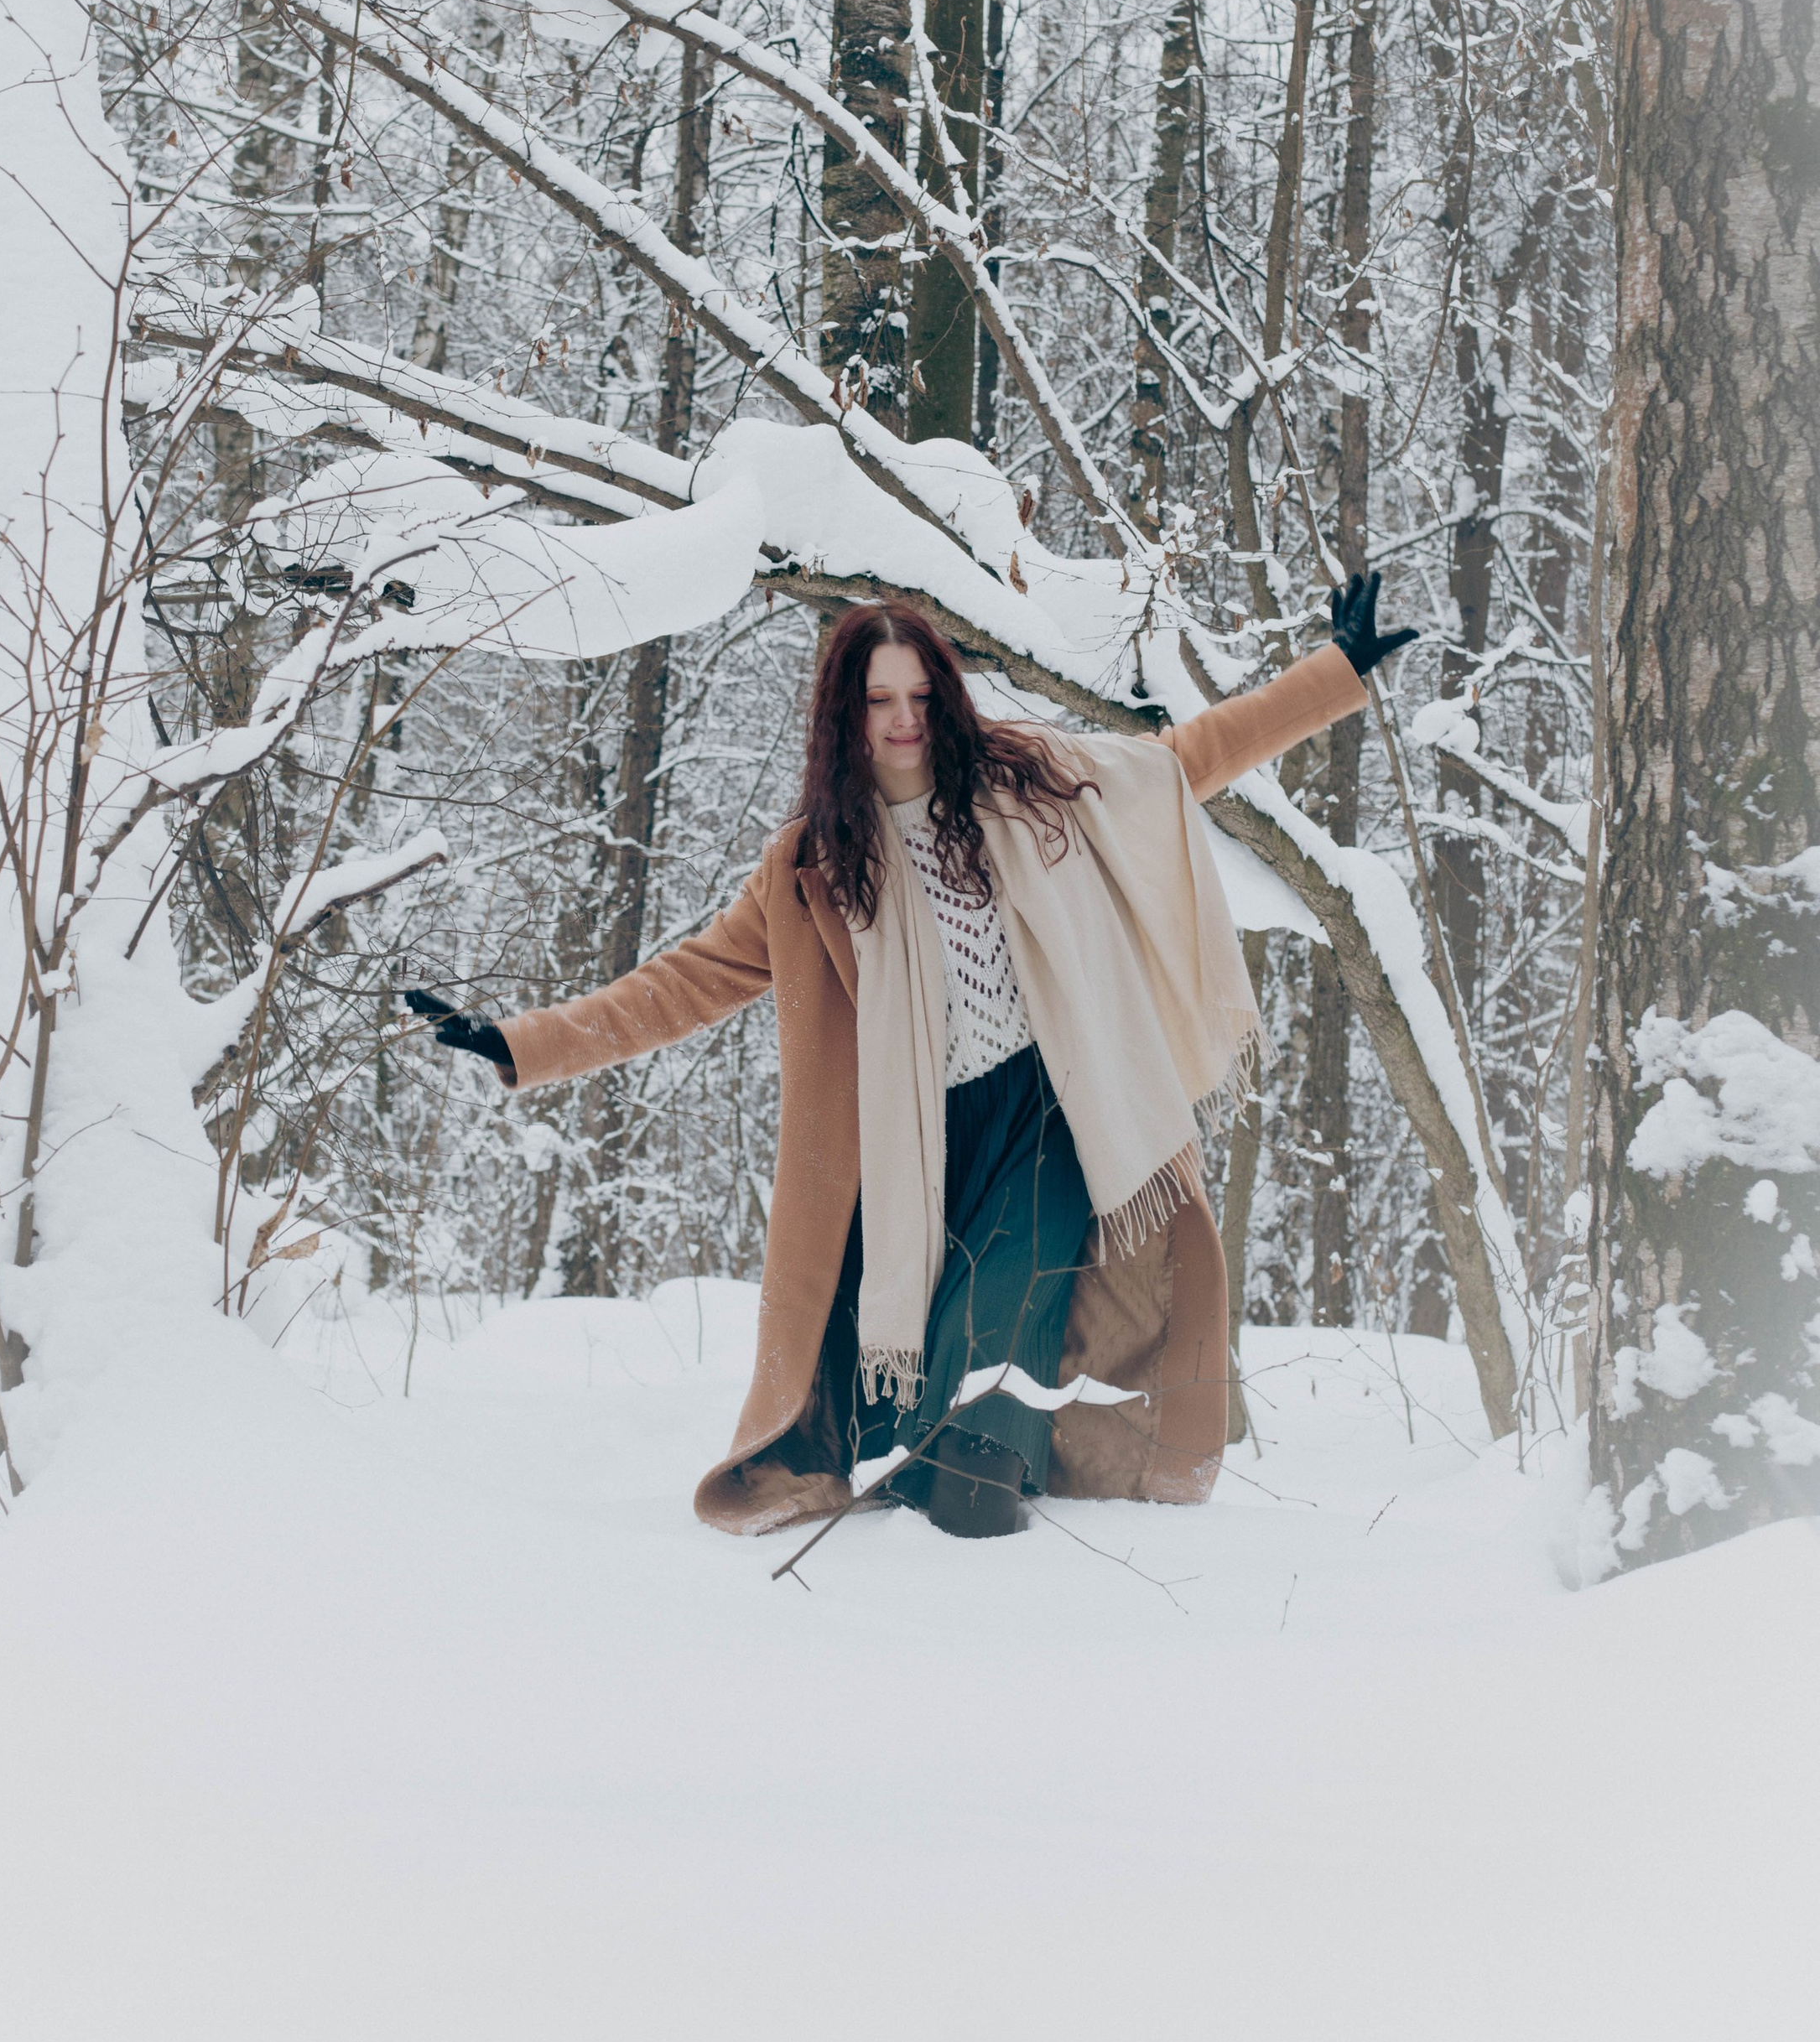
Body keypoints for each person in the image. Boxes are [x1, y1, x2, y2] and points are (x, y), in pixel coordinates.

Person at [408, 574, 1416, 1540]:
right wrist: (519, 1042)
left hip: (1041, 1128)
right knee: (916, 1456)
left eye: (920, 697)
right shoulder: (810, 869)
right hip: (911, 1159)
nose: (901, 721)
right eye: (878, 700)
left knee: (976, 1460)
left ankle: (1000, 1562)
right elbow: (681, 985)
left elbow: (1182, 760)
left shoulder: (1029, 786)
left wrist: (1335, 673)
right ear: (842, 714)